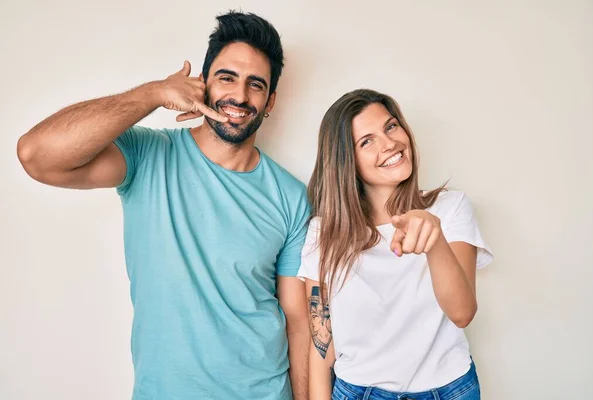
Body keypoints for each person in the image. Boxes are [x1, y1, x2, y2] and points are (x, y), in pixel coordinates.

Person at [17, 11, 310, 400]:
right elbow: (36, 156)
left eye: (255, 85)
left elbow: (297, 322)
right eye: (227, 78)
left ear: (270, 100)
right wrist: (152, 94)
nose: (239, 96)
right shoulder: (148, 156)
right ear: (203, 84)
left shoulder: (291, 196)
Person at [298, 89, 493, 400]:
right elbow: (322, 345)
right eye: (367, 141)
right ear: (346, 161)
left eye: (390, 126)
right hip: (357, 392)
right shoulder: (324, 233)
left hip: (449, 390)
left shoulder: (450, 208)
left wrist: (435, 239)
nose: (389, 143)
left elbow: (462, 313)